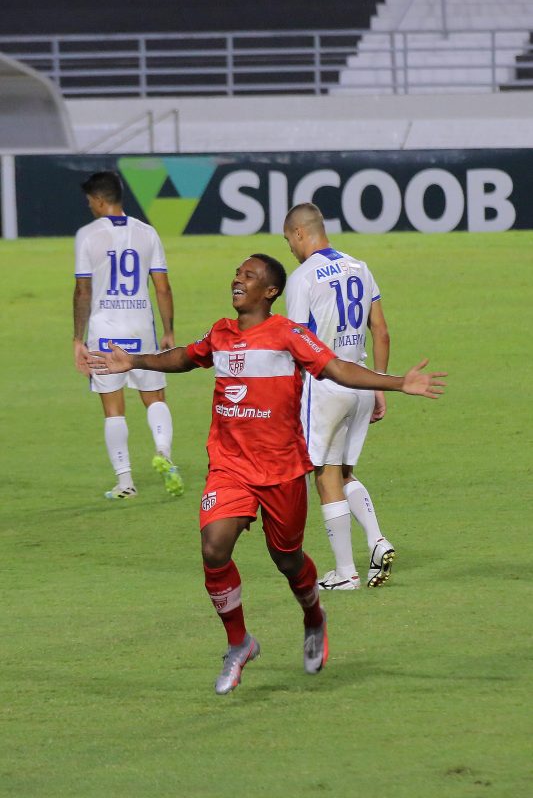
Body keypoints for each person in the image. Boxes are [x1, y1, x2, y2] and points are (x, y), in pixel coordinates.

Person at [85, 254, 446, 695]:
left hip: (281, 469)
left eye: (249, 276)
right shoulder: (221, 332)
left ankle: (313, 616)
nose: (238, 279)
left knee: (287, 559)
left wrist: (396, 382)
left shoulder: (288, 335)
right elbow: (184, 357)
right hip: (230, 465)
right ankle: (239, 642)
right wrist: (134, 361)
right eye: (237, 273)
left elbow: (337, 368)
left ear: (270, 291)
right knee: (214, 547)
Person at [284, 202, 393, 590]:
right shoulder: (360, 267)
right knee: (344, 472)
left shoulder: (302, 278)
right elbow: (381, 331)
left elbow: (295, 343)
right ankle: (377, 541)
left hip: (325, 386)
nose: (290, 249)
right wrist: (378, 384)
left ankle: (346, 572)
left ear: (300, 233)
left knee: (325, 475)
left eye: (289, 240)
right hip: (361, 382)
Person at [73, 170, 184, 500]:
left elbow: (82, 291)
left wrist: (77, 339)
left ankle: (125, 482)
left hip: (105, 331)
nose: (89, 206)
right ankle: (163, 452)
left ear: (99, 200)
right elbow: (162, 287)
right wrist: (168, 330)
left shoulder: (88, 235)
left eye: (90, 201)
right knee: (155, 397)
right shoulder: (147, 232)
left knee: (113, 408)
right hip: (141, 329)